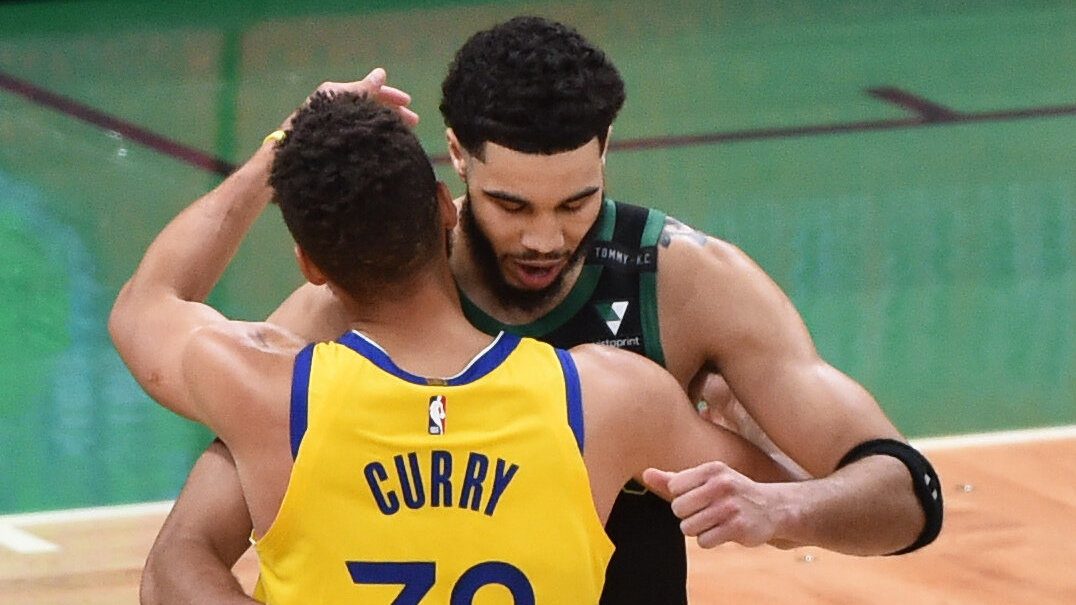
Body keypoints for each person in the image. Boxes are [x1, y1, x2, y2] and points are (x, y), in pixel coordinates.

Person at [140, 16, 943, 605]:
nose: (544, 238)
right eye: (511, 204)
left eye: (576, 201)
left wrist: (785, 504)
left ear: (608, 148)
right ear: (456, 160)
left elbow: (907, 495)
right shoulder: (363, 293)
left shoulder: (686, 283)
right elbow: (186, 549)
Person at [110, 83, 794, 603]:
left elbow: (145, 304)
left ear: (310, 266)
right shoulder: (608, 396)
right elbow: (785, 501)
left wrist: (282, 146)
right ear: (446, 209)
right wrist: (743, 421)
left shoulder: (265, 392)